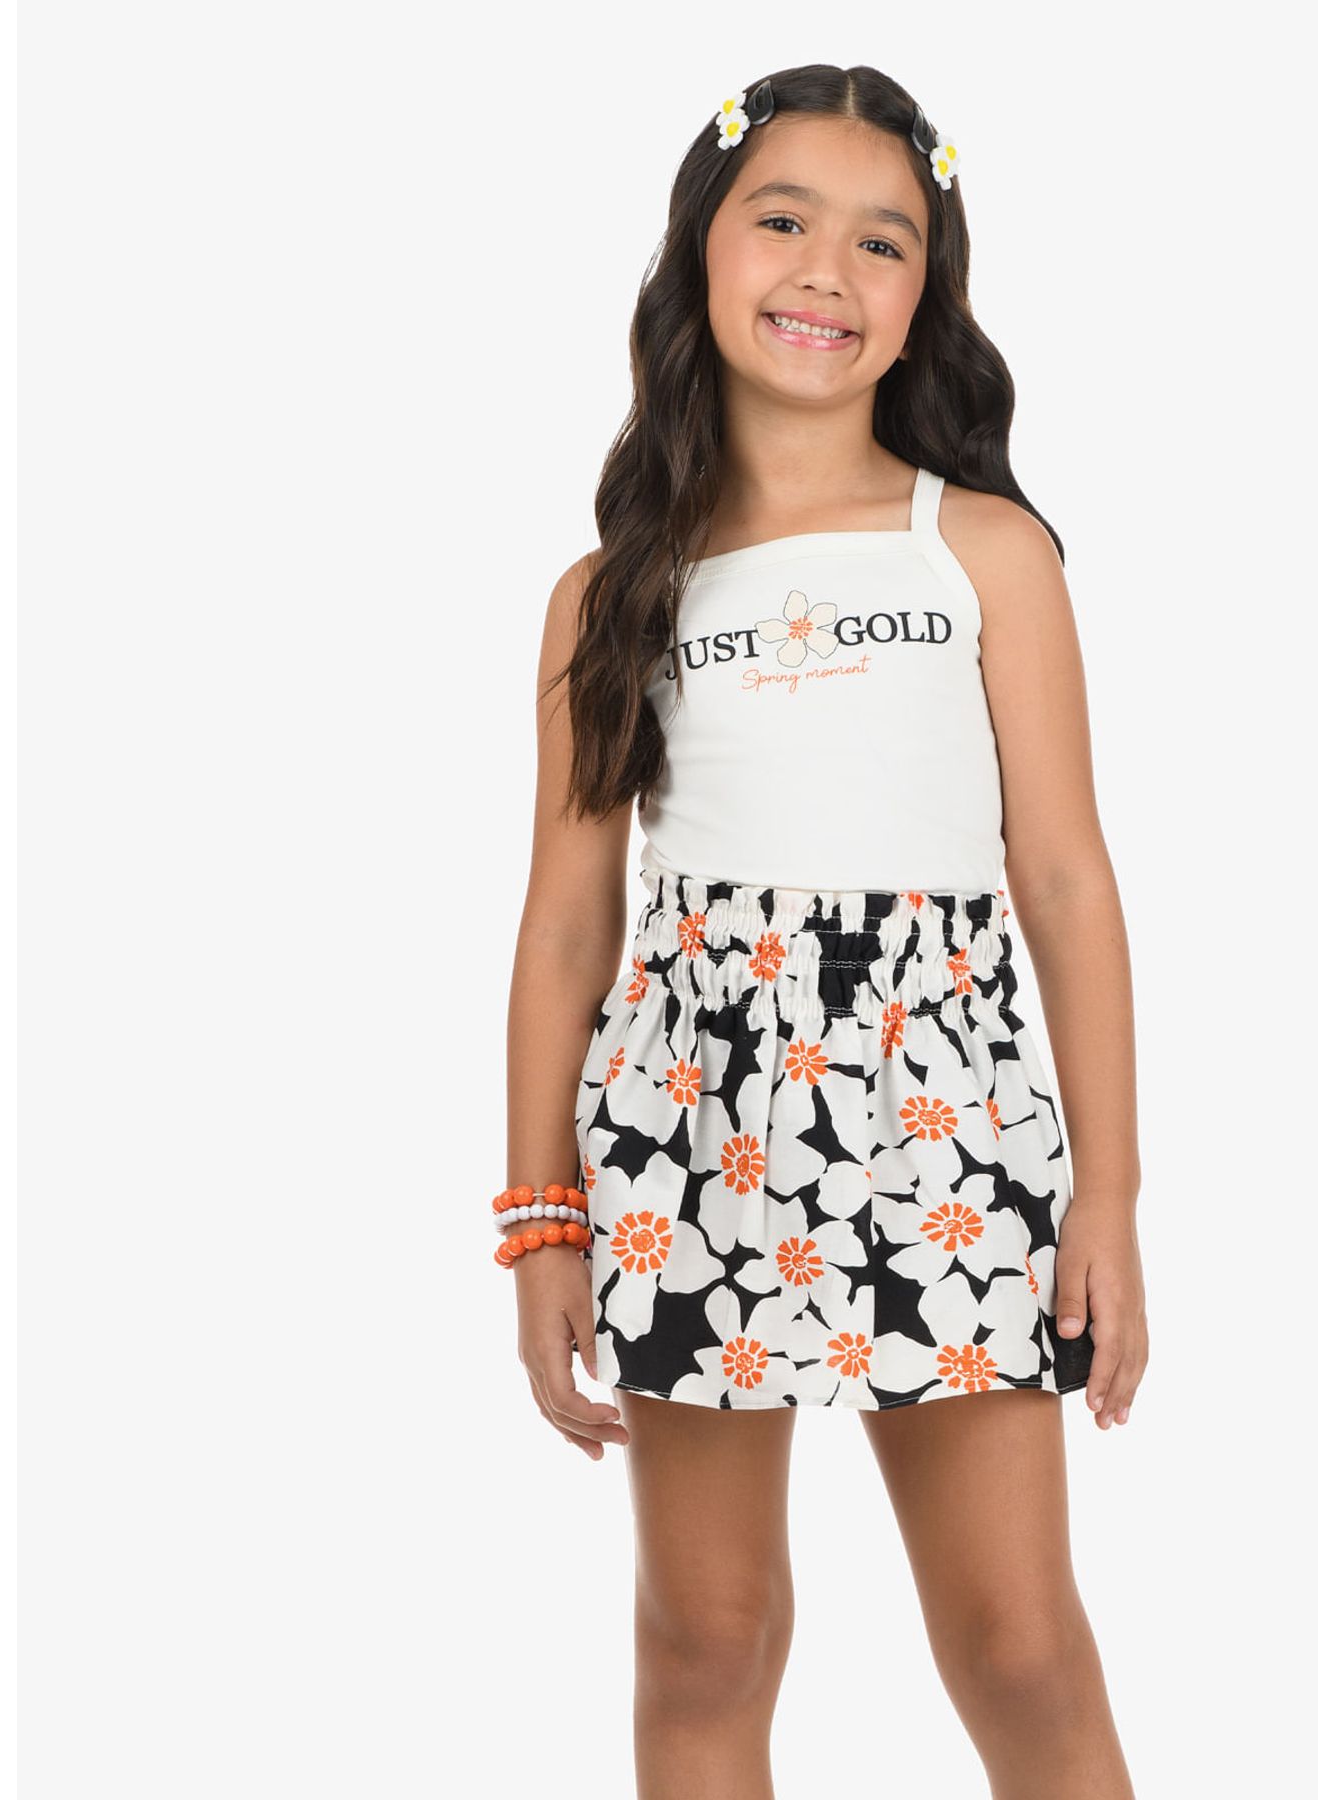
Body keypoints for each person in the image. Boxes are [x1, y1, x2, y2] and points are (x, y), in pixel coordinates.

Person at [496, 63, 1146, 1799]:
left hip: (948, 1135)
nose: (826, 272)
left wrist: (1109, 1194)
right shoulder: (608, 593)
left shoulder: (983, 552)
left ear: (927, 291)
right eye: (782, 219)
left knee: (1017, 1643)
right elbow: (565, 929)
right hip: (688, 1139)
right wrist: (541, 1220)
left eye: (884, 241)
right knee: (706, 1641)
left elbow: (1066, 881)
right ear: (699, 249)